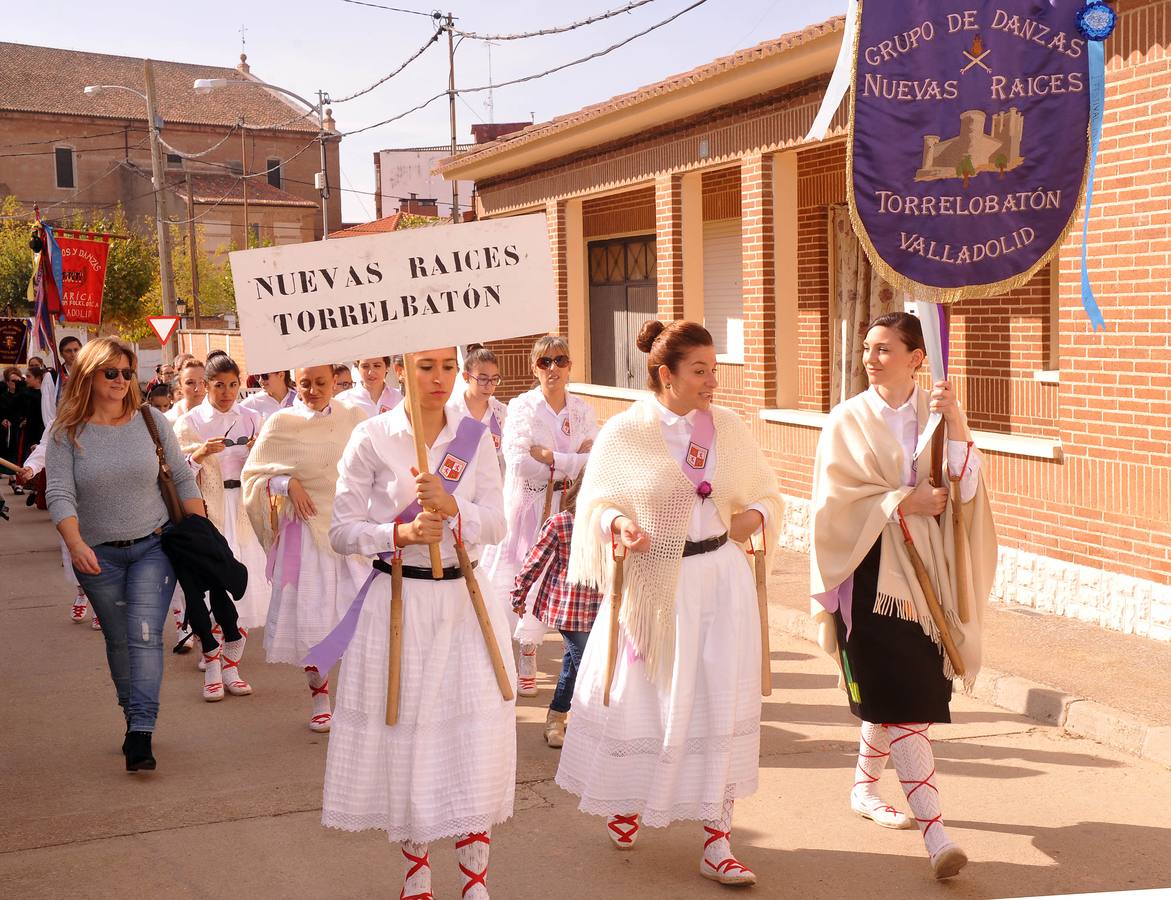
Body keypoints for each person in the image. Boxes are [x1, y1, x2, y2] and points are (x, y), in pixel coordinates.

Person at [556, 320, 782, 887]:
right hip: (656, 585)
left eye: (714, 369)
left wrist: (755, 516)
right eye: (700, 371)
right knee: (647, 700)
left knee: (719, 701)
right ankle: (627, 799)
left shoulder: (727, 427)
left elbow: (767, 491)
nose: (712, 382)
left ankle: (718, 838)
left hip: (721, 581)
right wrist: (618, 525)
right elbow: (594, 504)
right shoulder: (625, 432)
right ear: (666, 375)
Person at [809, 311, 998, 881]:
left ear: (918, 358)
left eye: (885, 348)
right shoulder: (845, 420)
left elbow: (966, 487)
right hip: (867, 576)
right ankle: (937, 835)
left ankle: (864, 789)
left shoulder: (934, 415)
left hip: (926, 580)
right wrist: (900, 502)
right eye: (867, 347)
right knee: (905, 710)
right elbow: (831, 506)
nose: (871, 357)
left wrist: (957, 420)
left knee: (894, 699)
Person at [322, 347, 511, 900]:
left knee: (474, 732)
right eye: (425, 367)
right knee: (409, 736)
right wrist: (397, 536)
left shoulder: (476, 435)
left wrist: (457, 511)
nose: (439, 379)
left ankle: (475, 879)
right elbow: (341, 530)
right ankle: (417, 874)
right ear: (401, 368)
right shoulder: (372, 437)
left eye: (447, 367)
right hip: (400, 602)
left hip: (466, 603)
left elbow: (496, 522)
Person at [44, 338, 204, 771]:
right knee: (118, 640)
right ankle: (132, 715)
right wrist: (75, 545)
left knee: (146, 635)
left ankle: (141, 731)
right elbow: (59, 493)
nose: (120, 381)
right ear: (89, 375)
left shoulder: (151, 422)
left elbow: (184, 482)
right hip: (98, 555)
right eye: (110, 372)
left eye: (127, 373)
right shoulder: (67, 433)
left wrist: (202, 535)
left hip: (155, 545)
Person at [241, 364, 367, 731]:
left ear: (336, 381)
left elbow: (373, 466)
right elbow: (254, 475)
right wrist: (286, 483)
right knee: (312, 621)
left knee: (360, 619)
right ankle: (320, 696)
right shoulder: (281, 424)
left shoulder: (355, 417)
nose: (313, 390)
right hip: (307, 535)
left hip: (351, 531)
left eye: (321, 383)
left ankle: (360, 699)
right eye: (306, 383)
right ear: (295, 383)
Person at [484, 335, 597, 698]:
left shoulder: (581, 409)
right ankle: (526, 651)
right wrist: (570, 460)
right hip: (530, 510)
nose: (553, 368)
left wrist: (552, 458)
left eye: (560, 360)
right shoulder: (522, 406)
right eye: (545, 362)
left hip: (571, 510)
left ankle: (570, 652)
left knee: (569, 583)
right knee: (526, 578)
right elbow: (518, 462)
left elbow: (593, 458)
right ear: (534, 367)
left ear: (569, 366)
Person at [175, 354, 269, 700]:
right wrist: (199, 454)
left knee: (243, 587)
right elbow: (174, 471)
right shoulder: (191, 421)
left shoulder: (252, 418)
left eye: (232, 385)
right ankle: (211, 664)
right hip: (207, 512)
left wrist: (258, 453)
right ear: (205, 385)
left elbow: (267, 466)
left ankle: (231, 665)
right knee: (212, 588)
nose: (227, 392)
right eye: (218, 385)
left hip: (244, 509)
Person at [510, 475, 601, 748]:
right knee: (586, 662)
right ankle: (585, 721)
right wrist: (519, 594)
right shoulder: (562, 522)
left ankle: (556, 717)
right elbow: (534, 561)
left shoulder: (611, 526)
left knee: (573, 665)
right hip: (569, 606)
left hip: (600, 606)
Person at [451, 345, 508, 470]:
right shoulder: (451, 411)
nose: (489, 386)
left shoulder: (501, 412)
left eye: (494, 379)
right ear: (466, 377)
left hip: (494, 483)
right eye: (482, 379)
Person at [335, 356, 402, 418]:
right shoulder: (343, 400)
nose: (371, 372)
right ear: (358, 368)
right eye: (365, 366)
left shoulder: (401, 397)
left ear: (387, 368)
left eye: (377, 366)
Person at [165, 358, 206, 423]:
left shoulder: (221, 414)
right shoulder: (168, 420)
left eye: (202, 382)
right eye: (190, 383)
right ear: (180, 387)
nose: (197, 388)